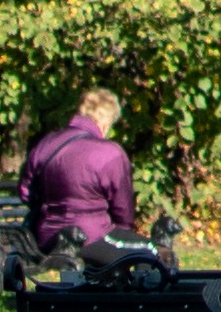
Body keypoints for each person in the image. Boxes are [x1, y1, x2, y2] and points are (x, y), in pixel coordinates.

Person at [21, 89, 142, 257]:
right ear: (106, 122)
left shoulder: (47, 143)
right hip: (92, 236)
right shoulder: (109, 152)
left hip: (47, 238)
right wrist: (122, 231)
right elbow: (123, 211)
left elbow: (26, 192)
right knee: (150, 252)